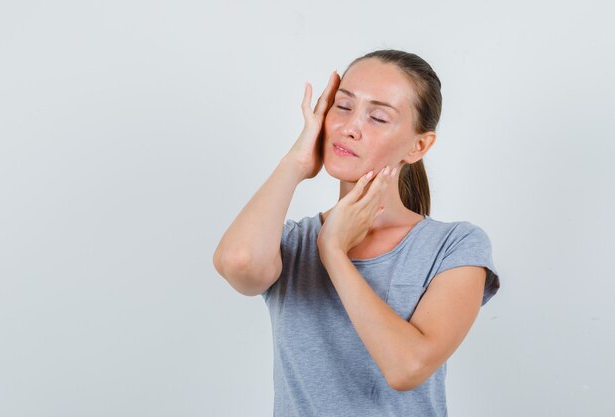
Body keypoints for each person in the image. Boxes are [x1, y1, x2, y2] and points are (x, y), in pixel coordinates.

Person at [213, 49, 500, 417]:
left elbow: (407, 367)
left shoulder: (454, 246)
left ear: (419, 146)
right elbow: (239, 263)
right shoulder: (289, 243)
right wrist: (297, 162)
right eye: (343, 106)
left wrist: (333, 250)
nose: (350, 126)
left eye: (378, 116)